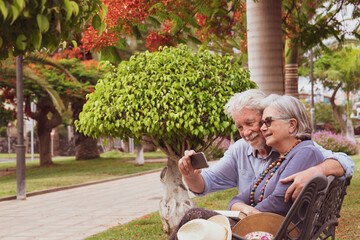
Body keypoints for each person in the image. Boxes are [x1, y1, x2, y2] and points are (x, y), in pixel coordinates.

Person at [179, 89, 354, 203]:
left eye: (250, 123)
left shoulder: (297, 149)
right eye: (240, 127)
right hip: (252, 223)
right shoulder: (239, 150)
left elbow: (346, 162)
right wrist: (190, 175)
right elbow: (205, 183)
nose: (246, 132)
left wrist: (316, 171)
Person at [228, 94, 323, 217]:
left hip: (279, 233)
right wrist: (247, 211)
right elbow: (235, 200)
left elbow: (279, 202)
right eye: (262, 123)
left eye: (268, 122)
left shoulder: (306, 153)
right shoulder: (279, 159)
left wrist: (245, 214)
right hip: (260, 227)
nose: (262, 128)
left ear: (292, 125)